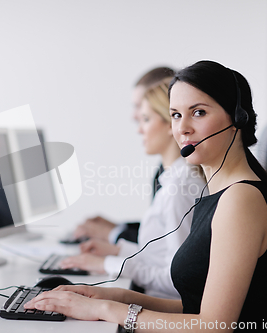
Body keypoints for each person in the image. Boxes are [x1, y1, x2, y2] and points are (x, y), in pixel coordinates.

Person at [25, 60, 267, 332]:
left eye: (198, 112)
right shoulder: (215, 194)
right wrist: (113, 296)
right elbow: (194, 307)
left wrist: (107, 310)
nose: (183, 128)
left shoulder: (241, 200)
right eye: (176, 115)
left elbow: (214, 326)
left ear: (237, 118)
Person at [60, 79, 206, 299]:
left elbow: (178, 280)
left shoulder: (180, 188)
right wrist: (119, 252)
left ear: (170, 125)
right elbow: (161, 256)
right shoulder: (172, 181)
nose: (139, 129)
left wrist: (110, 264)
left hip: (163, 310)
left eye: (146, 119)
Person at [74, 67, 176, 245]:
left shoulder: (181, 178)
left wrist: (114, 235)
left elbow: (166, 249)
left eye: (141, 109)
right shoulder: (165, 169)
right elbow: (161, 229)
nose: (134, 118)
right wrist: (119, 227)